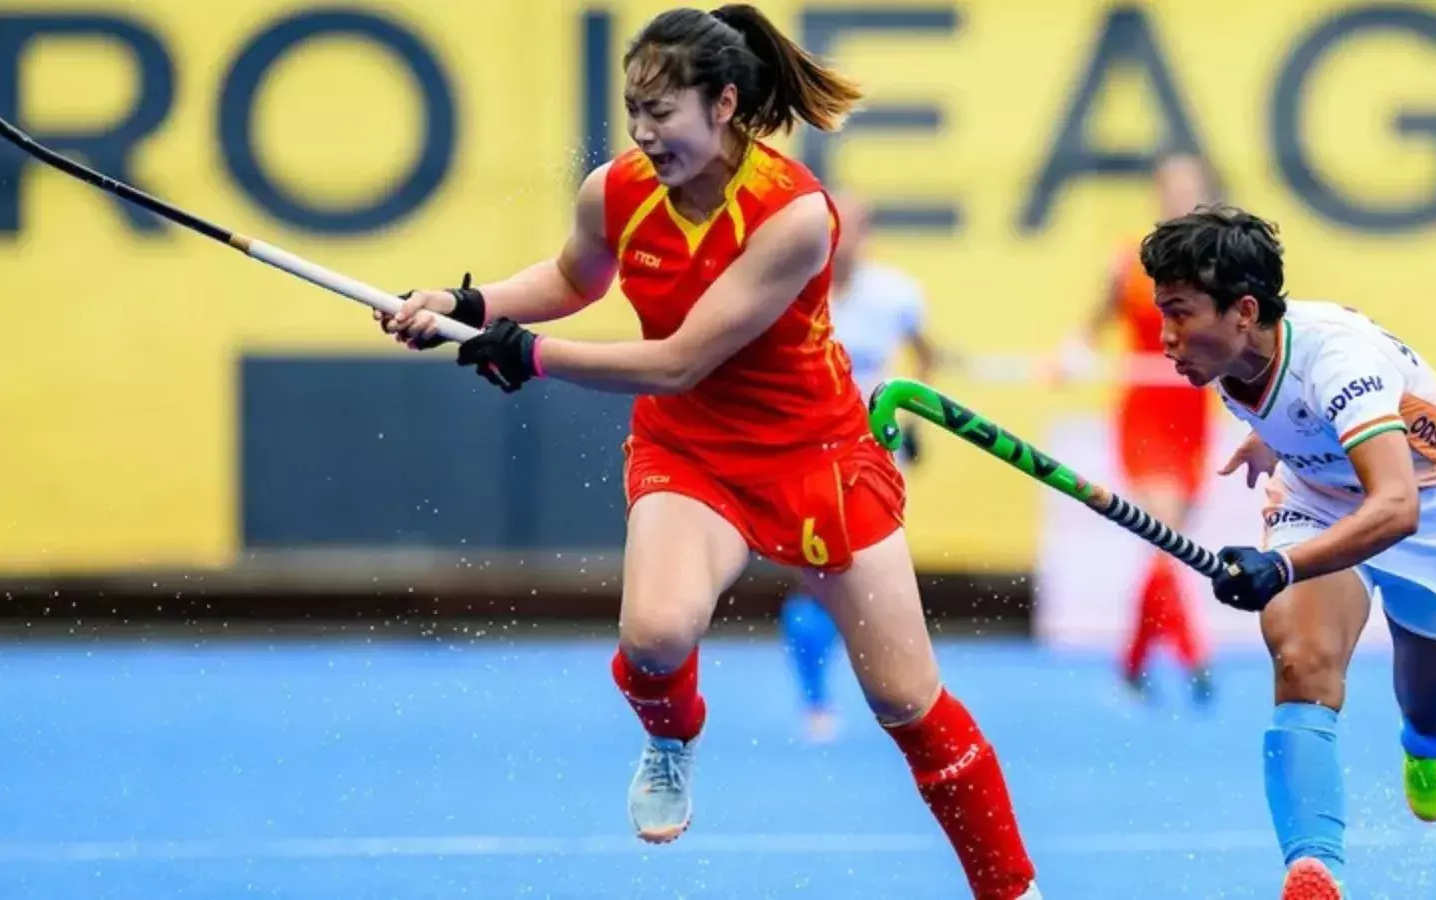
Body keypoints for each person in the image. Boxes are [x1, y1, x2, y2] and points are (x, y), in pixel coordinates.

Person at [378, 6, 1041, 898]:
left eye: (662, 112)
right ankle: (671, 734)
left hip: (816, 456)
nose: (644, 133)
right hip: (691, 452)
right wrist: (466, 304)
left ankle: (1012, 890)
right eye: (633, 111)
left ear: (724, 104)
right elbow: (575, 277)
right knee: (654, 637)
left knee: (907, 704)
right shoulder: (615, 191)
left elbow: (681, 358)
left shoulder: (794, 215)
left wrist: (528, 354)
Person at [1140, 203, 1436, 900]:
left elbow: (1397, 507)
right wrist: (1272, 439)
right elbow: (1300, 388)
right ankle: (1315, 871)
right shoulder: (1229, 353)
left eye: (1180, 314)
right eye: (1163, 313)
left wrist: (1280, 566)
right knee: (1301, 660)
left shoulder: (1336, 362)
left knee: (1426, 711)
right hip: (1318, 498)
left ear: (1244, 311)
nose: (1166, 337)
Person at [1046, 151, 1217, 706]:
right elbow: (1092, 324)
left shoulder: (1222, 262)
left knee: (1167, 545)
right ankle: (1193, 656)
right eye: (1173, 188)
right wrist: (1070, 355)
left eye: (1191, 188)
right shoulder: (1130, 262)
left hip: (1192, 414)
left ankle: (1133, 665)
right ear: (1158, 195)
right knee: (1166, 539)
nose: (1182, 198)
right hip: (1146, 414)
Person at [779, 192, 936, 743]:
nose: (842, 240)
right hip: (803, 450)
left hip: (872, 453)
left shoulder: (895, 293)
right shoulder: (789, 289)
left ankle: (896, 697)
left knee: (868, 574)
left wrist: (914, 422)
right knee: (813, 576)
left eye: (853, 229)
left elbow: (925, 357)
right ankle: (816, 699)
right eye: (833, 228)